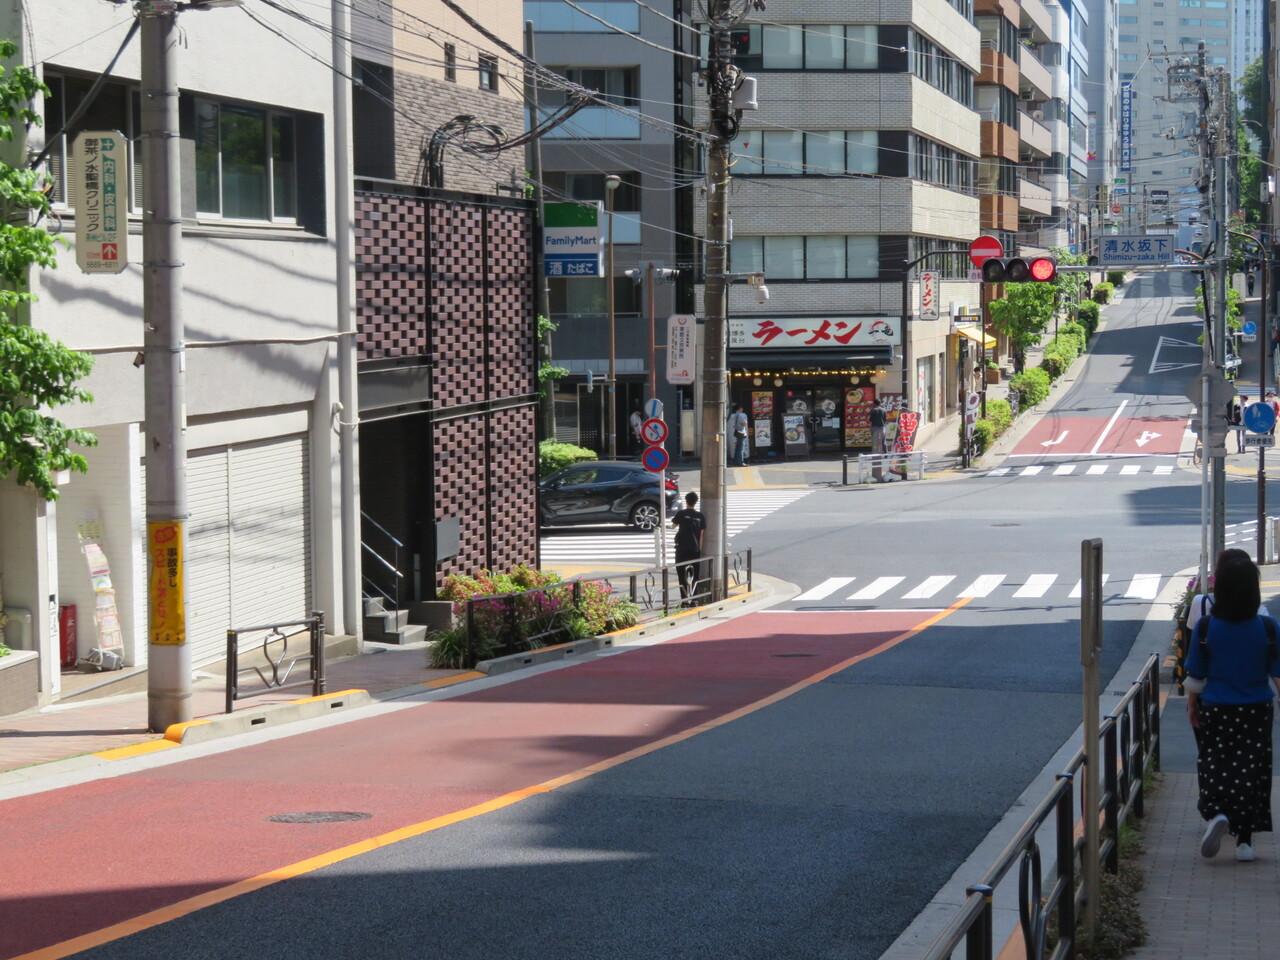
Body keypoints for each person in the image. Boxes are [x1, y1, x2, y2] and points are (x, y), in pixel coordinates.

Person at [1184, 549, 1280, 863]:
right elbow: (1278, 674)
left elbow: (1196, 675)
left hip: (1216, 706)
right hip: (1257, 709)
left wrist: (1192, 705)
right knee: (1252, 770)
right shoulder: (1268, 627)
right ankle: (1245, 842)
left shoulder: (1207, 627)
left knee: (1214, 763)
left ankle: (1217, 814)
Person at [671, 492, 705, 604]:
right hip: (694, 550)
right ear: (696, 502)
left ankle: (685, 600)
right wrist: (699, 550)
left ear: (686, 501)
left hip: (681, 550)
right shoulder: (700, 516)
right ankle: (694, 599)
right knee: (694, 575)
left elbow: (673, 526)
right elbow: (701, 535)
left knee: (682, 575)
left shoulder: (681, 514)